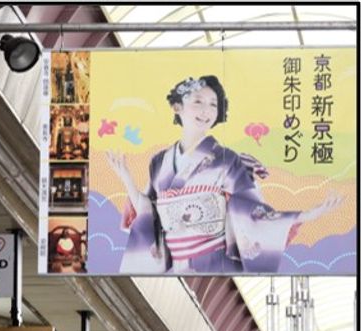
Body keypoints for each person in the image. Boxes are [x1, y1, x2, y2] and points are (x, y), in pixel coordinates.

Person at [106, 75, 343, 273]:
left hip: (216, 262)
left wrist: (306, 215)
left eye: (213, 104)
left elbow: (253, 210)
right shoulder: (159, 162)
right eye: (198, 101)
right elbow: (148, 213)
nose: (206, 110)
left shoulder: (227, 159)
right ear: (177, 107)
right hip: (177, 266)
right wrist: (126, 177)